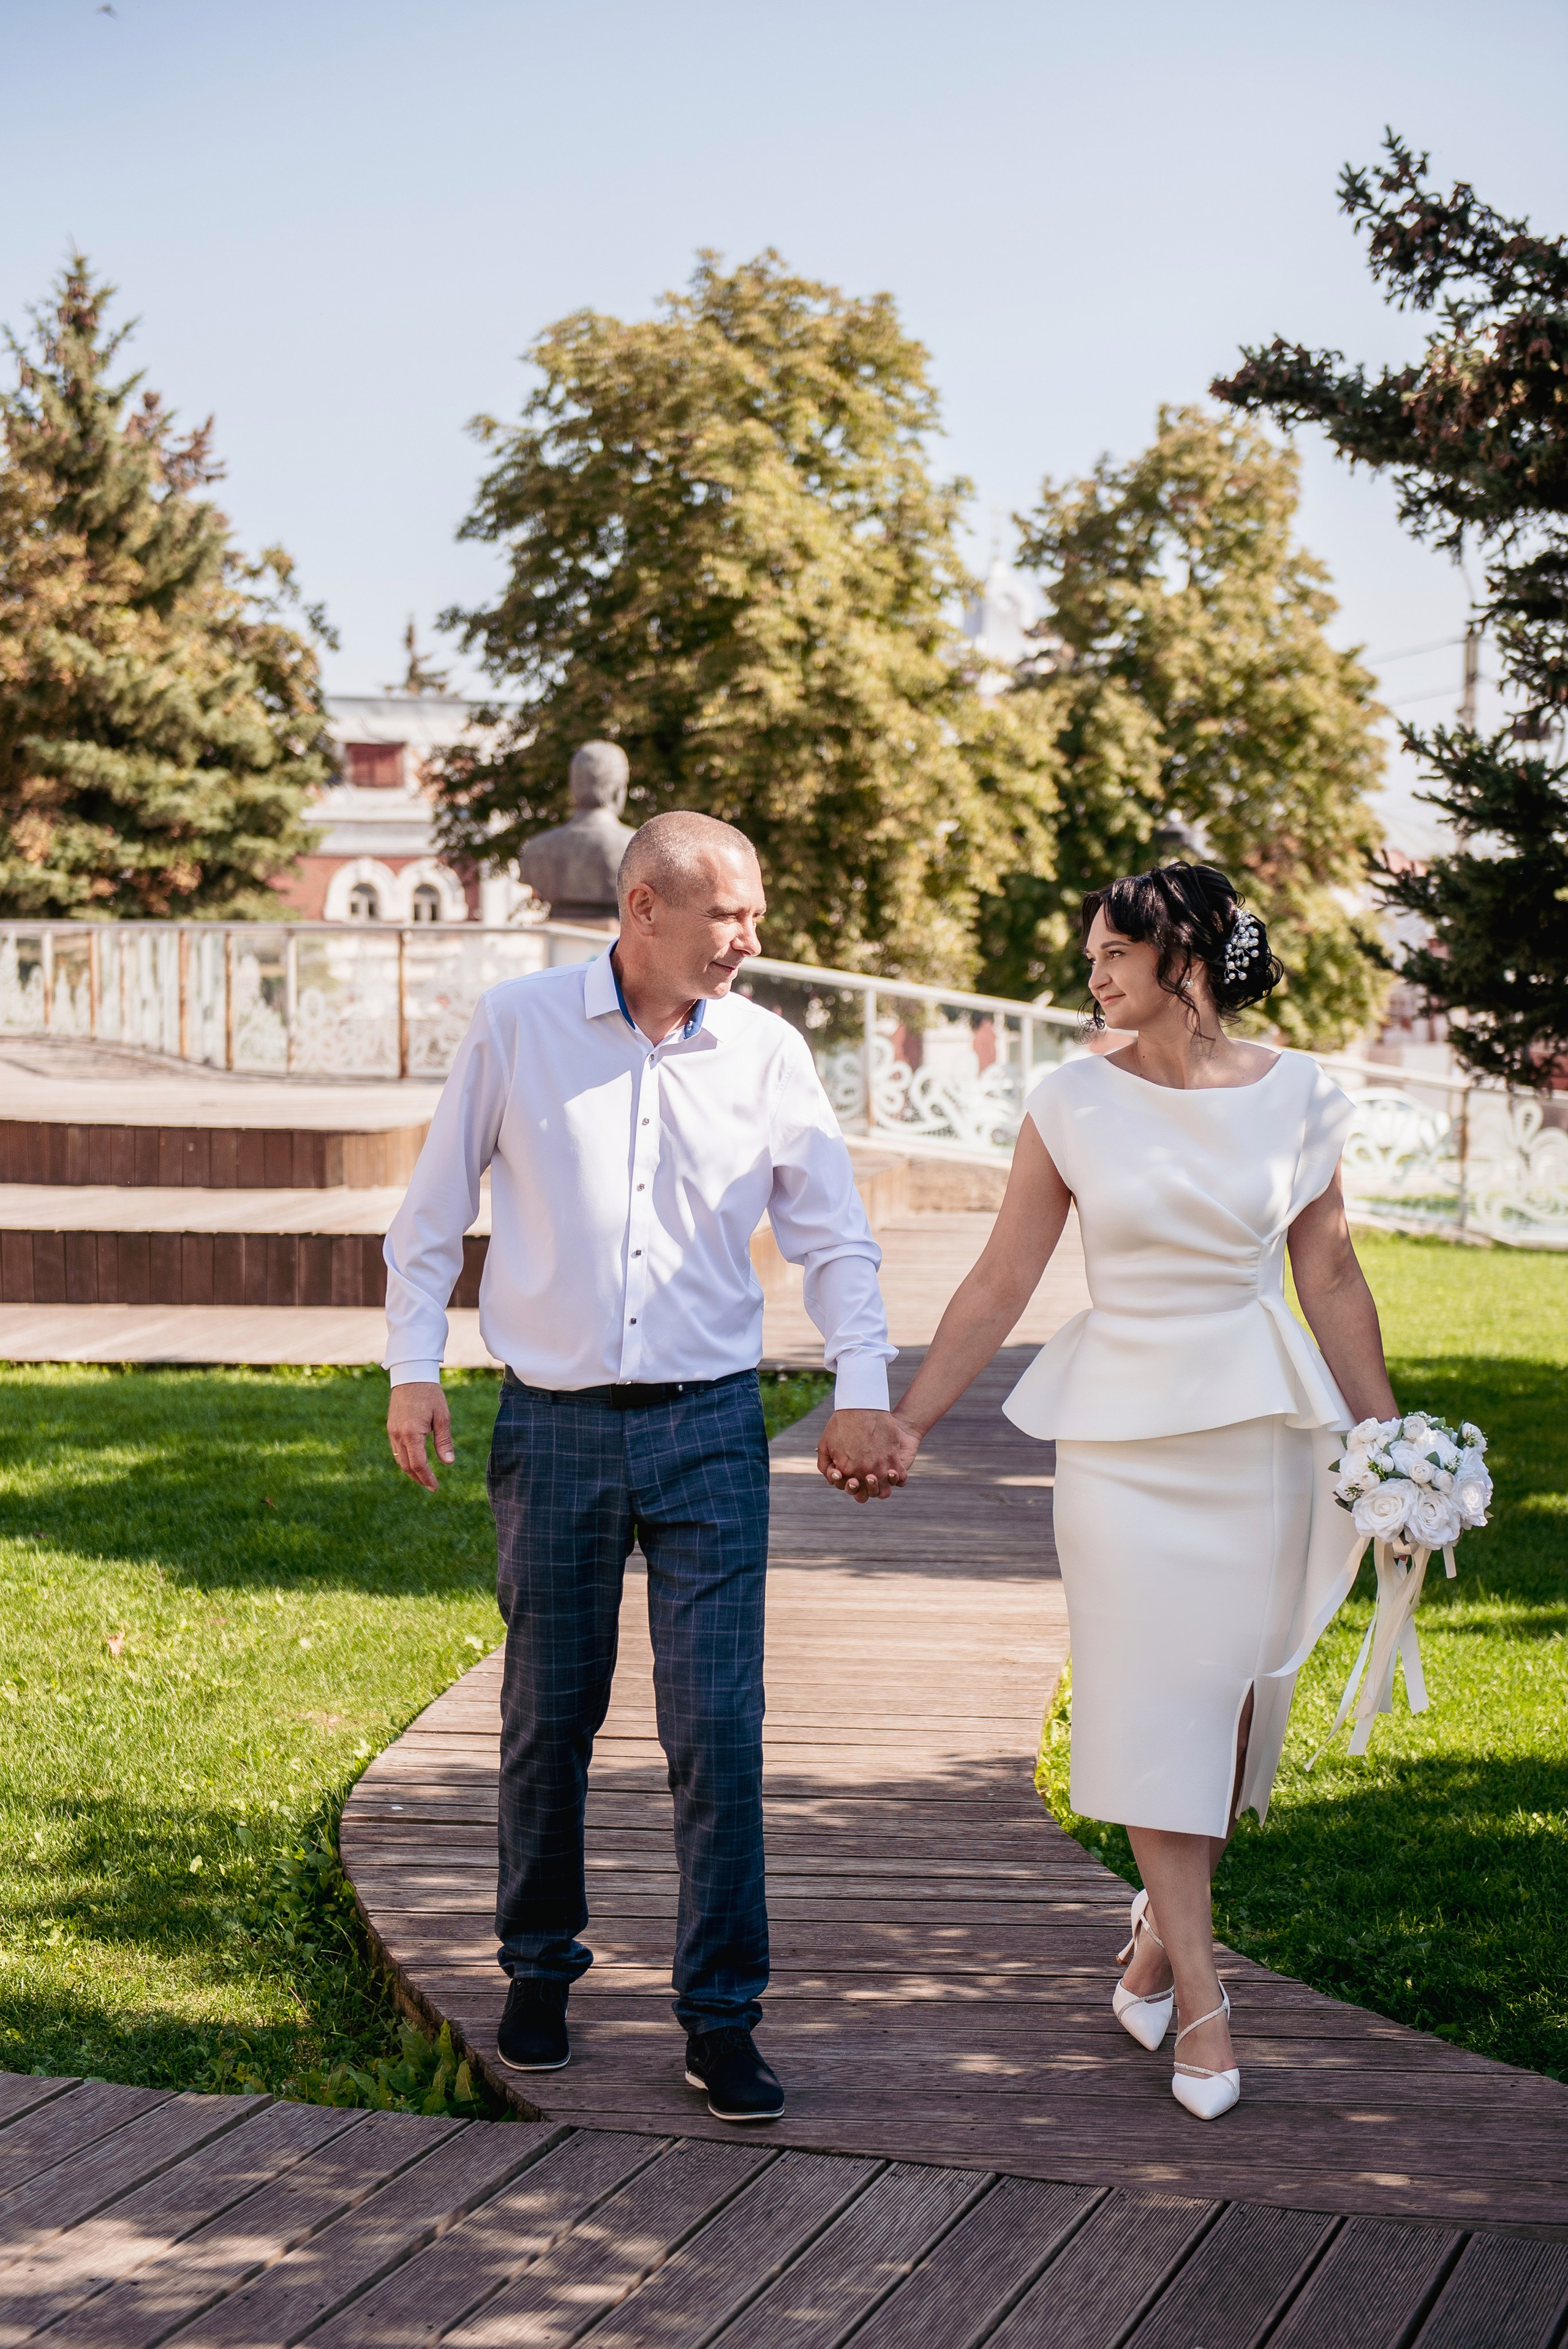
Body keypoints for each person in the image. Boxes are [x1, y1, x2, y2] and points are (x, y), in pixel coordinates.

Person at [820, 862, 1398, 2121]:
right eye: (1090, 956)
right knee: (1148, 1702)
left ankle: (1154, 1937)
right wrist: (908, 1421)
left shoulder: (1301, 1094)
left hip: (1257, 1433)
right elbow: (1001, 1277)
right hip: (1120, 1445)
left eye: (1111, 954)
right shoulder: (1069, 1099)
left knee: (1229, 1708)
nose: (1091, 975)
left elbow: (1332, 1276)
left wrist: (1388, 1443)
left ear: (1181, 956)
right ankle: (1204, 1997)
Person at [383, 810, 902, 2124]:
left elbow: (834, 1236)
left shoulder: (769, 1052)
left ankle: (721, 2017)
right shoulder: (518, 1025)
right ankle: (538, 1969)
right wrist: (412, 1365)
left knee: (717, 1727)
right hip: (552, 1426)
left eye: (755, 913)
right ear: (643, 908)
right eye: (727, 913)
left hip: (710, 1429)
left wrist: (861, 1386)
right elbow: (432, 1209)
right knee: (548, 1716)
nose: (749, 938)